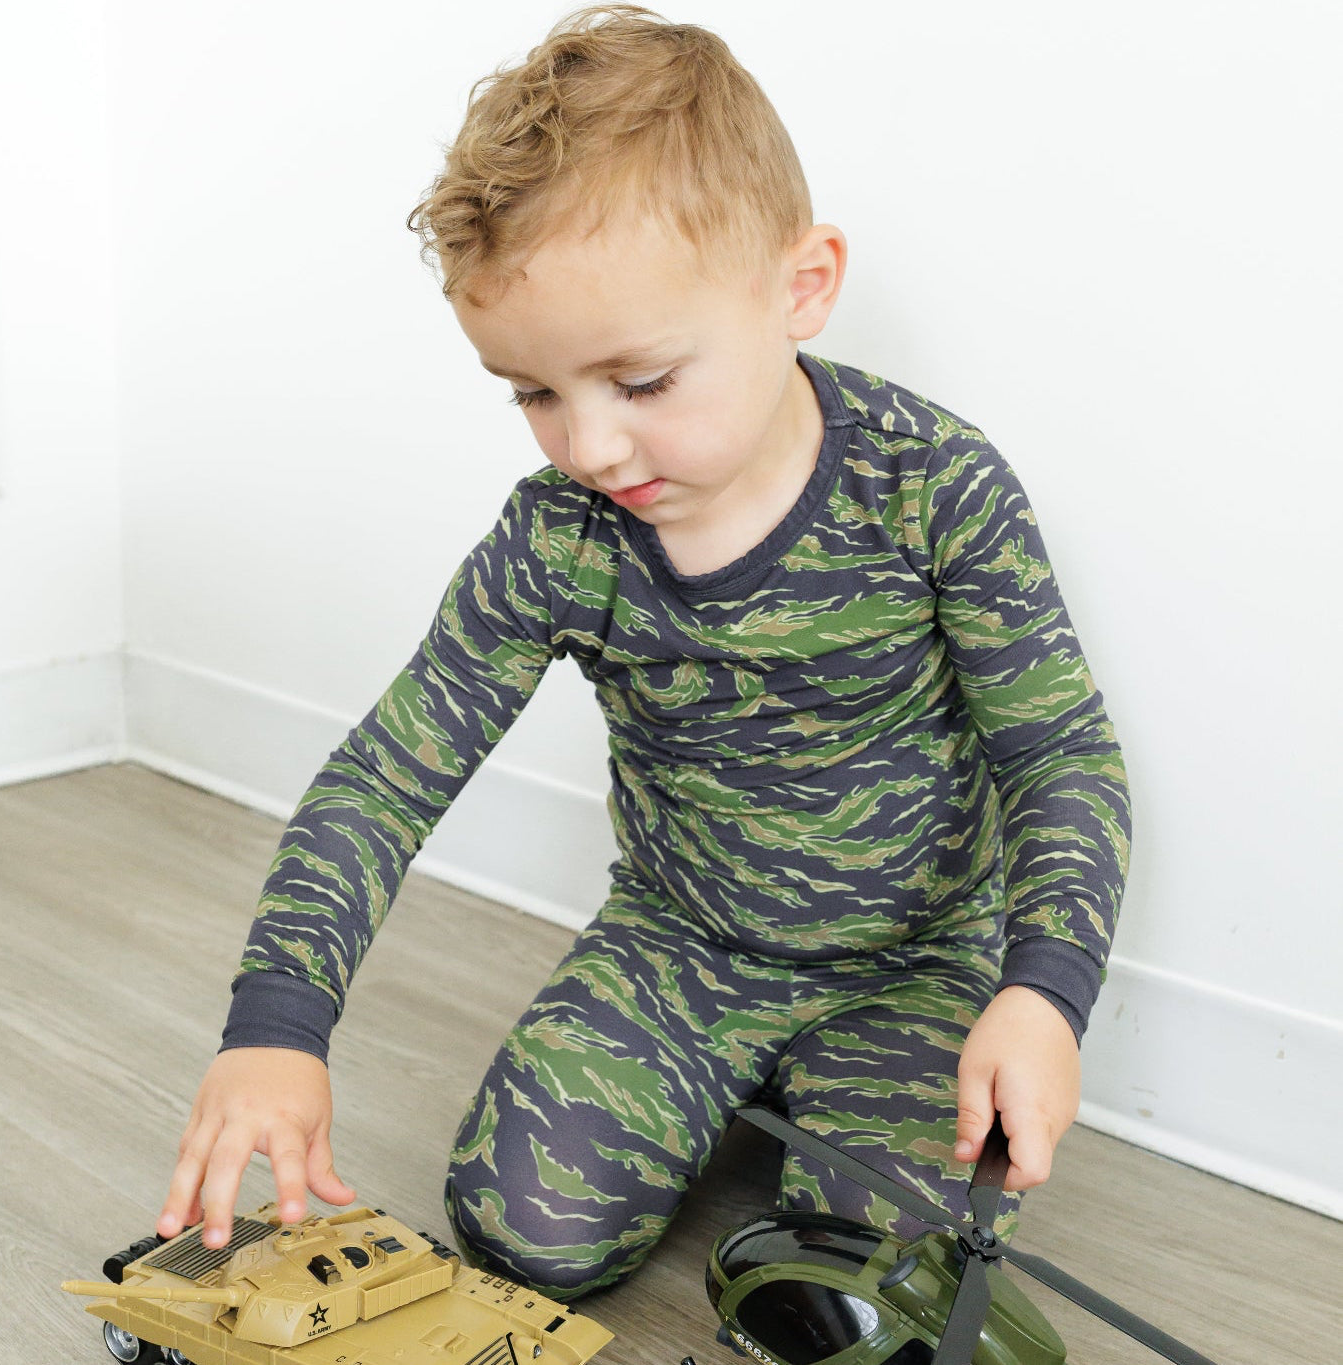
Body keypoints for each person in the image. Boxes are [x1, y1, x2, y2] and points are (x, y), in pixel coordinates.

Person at [157, 5, 1130, 1299]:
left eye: (644, 381)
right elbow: (384, 778)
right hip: (680, 941)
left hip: (910, 962)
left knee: (868, 1271)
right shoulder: (559, 541)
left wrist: (1041, 994)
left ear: (802, 286)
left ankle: (818, 1118)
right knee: (520, 1230)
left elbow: (1059, 753)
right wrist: (277, 1026)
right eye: (535, 392)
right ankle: (706, 1086)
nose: (592, 448)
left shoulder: (932, 488)